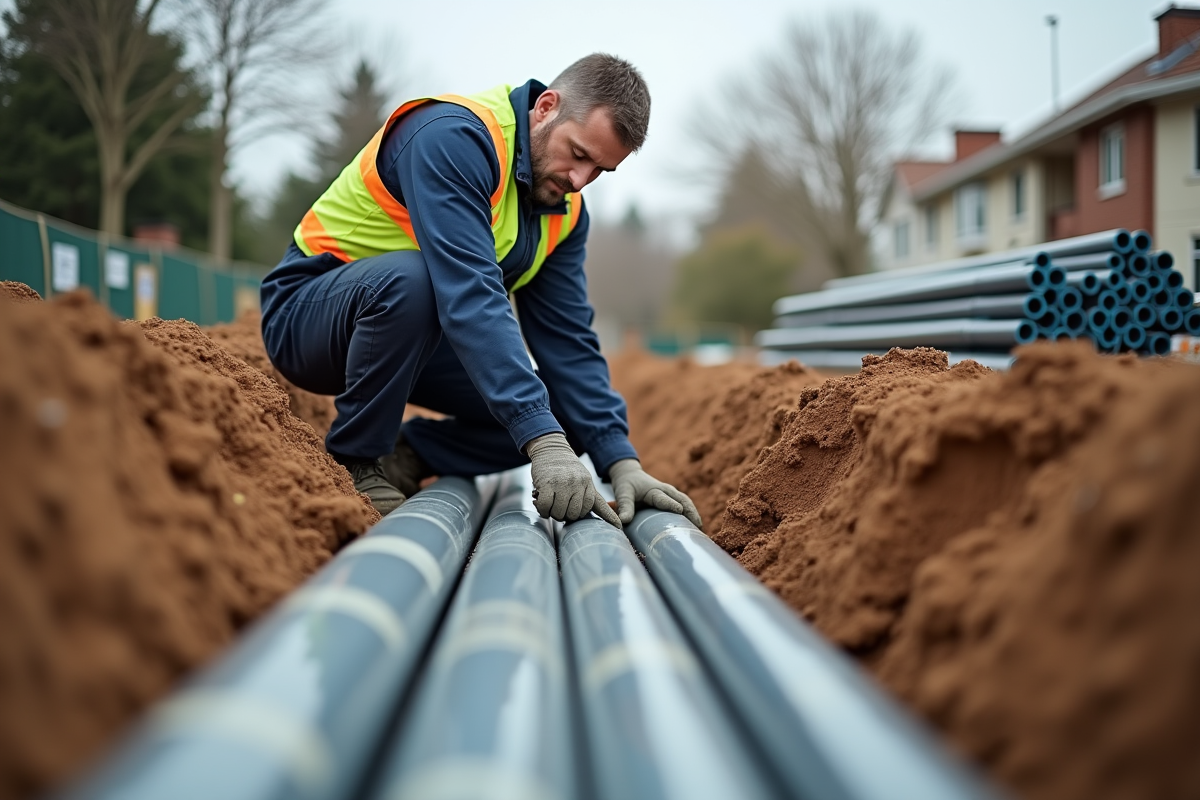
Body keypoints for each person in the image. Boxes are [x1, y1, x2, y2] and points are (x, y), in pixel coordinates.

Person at [259, 53, 701, 531]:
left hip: (418, 331)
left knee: (568, 417)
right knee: (418, 279)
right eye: (577, 154)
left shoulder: (564, 211)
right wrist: (540, 443)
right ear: (546, 107)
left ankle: (409, 454)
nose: (579, 182)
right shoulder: (452, 137)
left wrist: (620, 461)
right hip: (311, 320)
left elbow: (568, 339)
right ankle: (356, 460)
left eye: (599, 171)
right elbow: (470, 291)